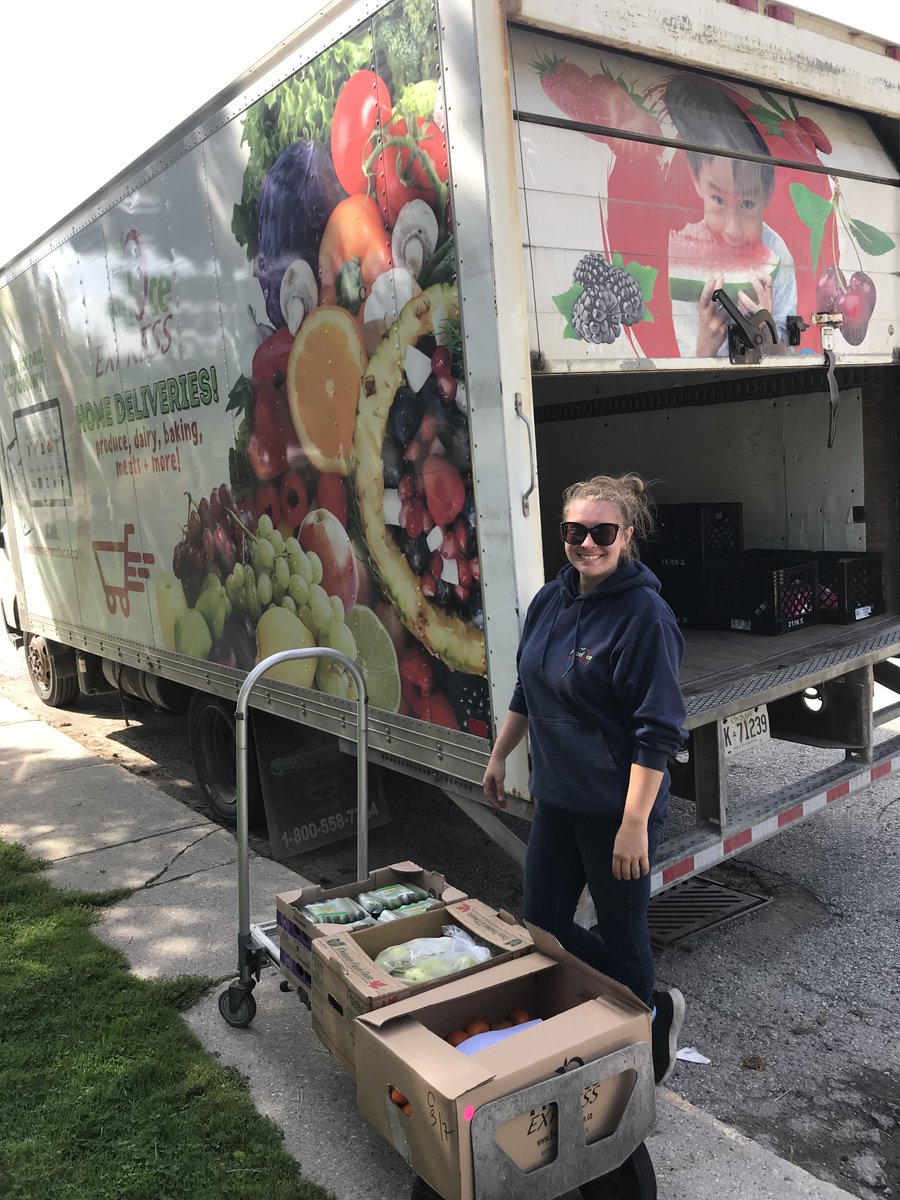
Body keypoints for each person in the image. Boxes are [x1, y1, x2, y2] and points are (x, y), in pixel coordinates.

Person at [483, 473, 687, 1085]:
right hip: (558, 798)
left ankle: (647, 1038)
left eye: (601, 532)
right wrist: (500, 757)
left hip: (615, 812)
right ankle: (644, 1004)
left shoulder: (645, 617)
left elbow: (658, 732)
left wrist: (633, 825)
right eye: (575, 531)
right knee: (542, 927)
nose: (586, 544)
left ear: (626, 535)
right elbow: (527, 686)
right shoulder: (551, 599)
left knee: (624, 940)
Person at [664, 73, 798, 359]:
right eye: (718, 199)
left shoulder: (777, 254)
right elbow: (687, 367)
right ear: (696, 178)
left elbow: (786, 358)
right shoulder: (685, 266)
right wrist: (706, 342)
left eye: (747, 203)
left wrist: (768, 331)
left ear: (768, 191)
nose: (733, 230)